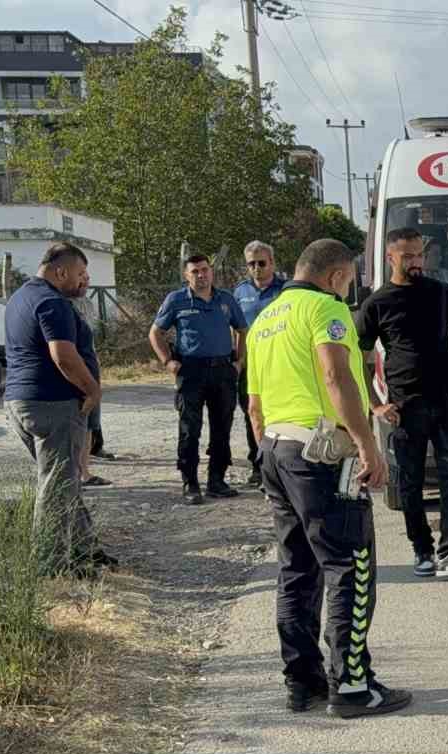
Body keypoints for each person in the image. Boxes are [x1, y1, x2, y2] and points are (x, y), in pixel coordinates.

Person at [246, 237, 410, 718]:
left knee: (297, 569)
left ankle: (303, 682)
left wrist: (268, 458)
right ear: (338, 275)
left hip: (276, 449)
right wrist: (366, 444)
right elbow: (337, 378)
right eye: (350, 279)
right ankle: (354, 686)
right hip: (321, 454)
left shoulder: (264, 320)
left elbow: (254, 407)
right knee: (350, 566)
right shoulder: (326, 310)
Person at [356, 228, 448, 579]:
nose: (416, 263)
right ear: (390, 258)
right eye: (407, 256)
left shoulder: (441, 292)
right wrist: (375, 404)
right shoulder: (377, 303)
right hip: (404, 407)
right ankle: (422, 553)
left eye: (419, 255)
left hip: (447, 402)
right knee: (410, 484)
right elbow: (359, 359)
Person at [3, 243, 114, 575]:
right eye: (80, 274)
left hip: (20, 404)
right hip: (52, 404)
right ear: (60, 271)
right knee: (57, 489)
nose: (85, 280)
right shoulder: (53, 302)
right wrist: (93, 389)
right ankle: (51, 567)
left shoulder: (21, 297)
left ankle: (85, 549)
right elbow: (63, 356)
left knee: (61, 482)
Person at [149, 254, 247, 505]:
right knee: (190, 429)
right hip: (191, 372)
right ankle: (190, 482)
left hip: (222, 370)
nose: (201, 275)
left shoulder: (225, 299)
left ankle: (217, 480)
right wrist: (168, 361)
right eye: (195, 272)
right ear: (186, 275)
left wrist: (238, 363)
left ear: (211, 272)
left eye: (205, 270)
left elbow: (242, 329)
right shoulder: (177, 300)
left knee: (222, 428)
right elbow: (156, 332)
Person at [233, 240, 288, 487]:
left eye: (262, 263)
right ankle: (259, 465)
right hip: (251, 366)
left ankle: (285, 463)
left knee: (283, 413)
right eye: (251, 264)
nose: (257, 268)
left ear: (272, 263)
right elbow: (236, 329)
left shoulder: (286, 290)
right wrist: (237, 359)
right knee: (252, 414)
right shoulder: (240, 292)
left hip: (281, 363)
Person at [72, 268, 110, 488]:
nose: (85, 282)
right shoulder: (59, 304)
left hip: (90, 366)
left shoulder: (87, 304)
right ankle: (70, 476)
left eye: (87, 279)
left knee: (89, 423)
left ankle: (84, 472)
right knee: (73, 421)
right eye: (81, 278)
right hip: (71, 369)